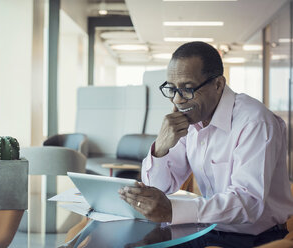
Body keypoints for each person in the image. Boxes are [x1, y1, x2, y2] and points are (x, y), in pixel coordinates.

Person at [119, 41, 293, 247]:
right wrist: (161, 148)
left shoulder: (255, 121)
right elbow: (159, 188)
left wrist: (173, 210)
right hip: (206, 229)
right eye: (172, 89)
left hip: (255, 238)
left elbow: (249, 203)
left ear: (218, 84)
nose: (177, 100)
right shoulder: (190, 119)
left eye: (187, 89)